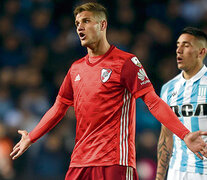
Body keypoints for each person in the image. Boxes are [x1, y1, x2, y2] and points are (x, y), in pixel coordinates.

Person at [10, 3, 207, 180]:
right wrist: (32, 136)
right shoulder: (75, 69)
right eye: (77, 22)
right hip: (79, 163)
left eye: (86, 21)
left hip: (114, 162)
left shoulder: (126, 62)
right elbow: (59, 108)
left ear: (103, 25)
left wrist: (184, 134)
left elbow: (153, 102)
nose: (79, 26)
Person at [156, 27, 207, 180]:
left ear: (201, 52)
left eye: (186, 45)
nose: (178, 50)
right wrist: (159, 178)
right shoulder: (168, 89)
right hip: (176, 172)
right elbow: (165, 138)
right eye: (178, 45)